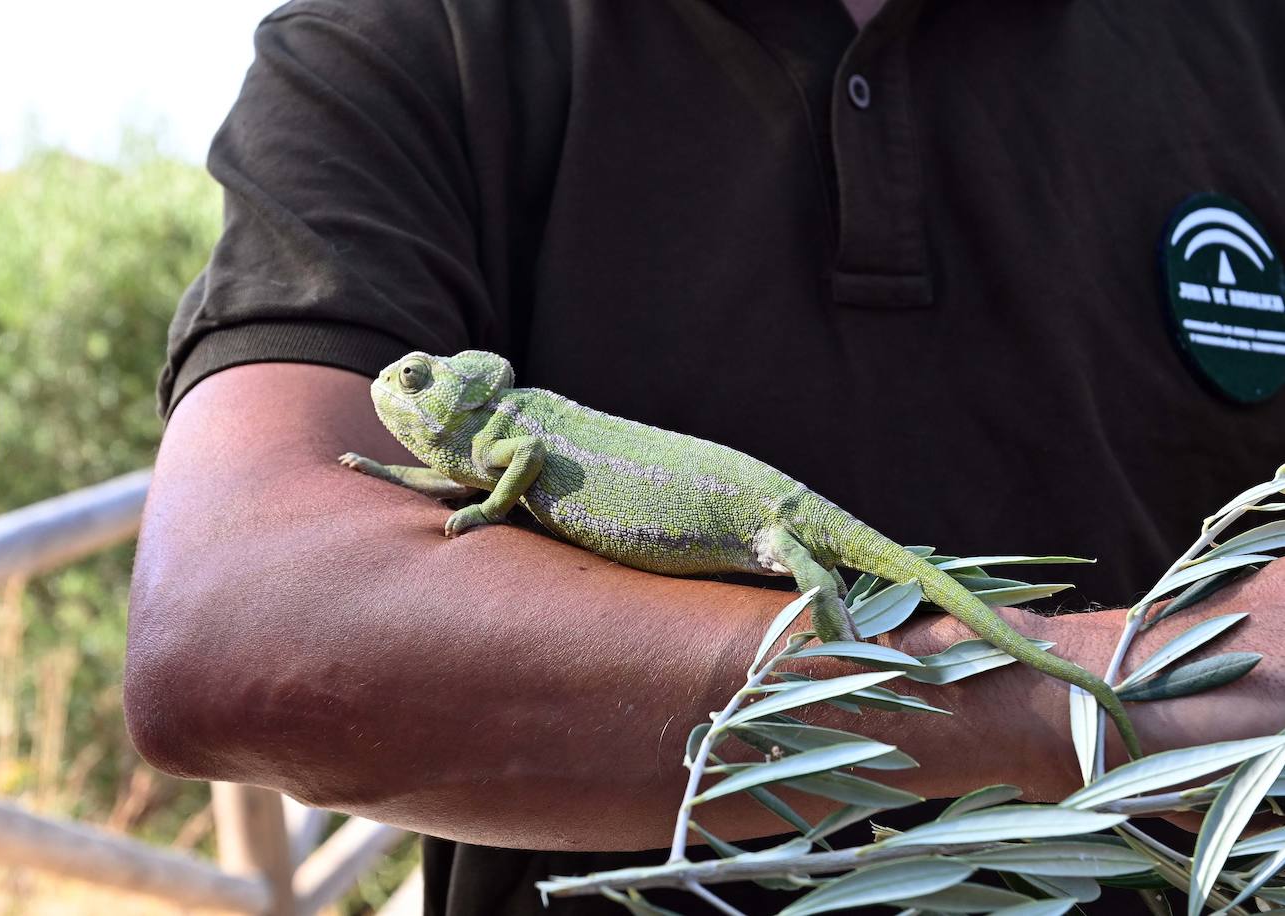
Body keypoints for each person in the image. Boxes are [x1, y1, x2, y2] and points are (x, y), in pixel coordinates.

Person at [124, 1, 1285, 912]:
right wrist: (1074, 703)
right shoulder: (413, 35)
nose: (410, 394)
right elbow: (226, 631)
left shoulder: (1243, 36)